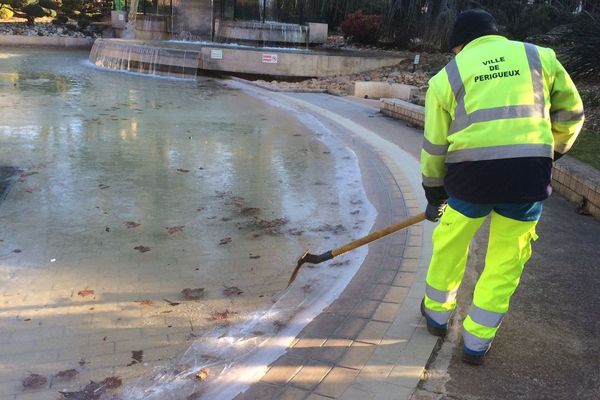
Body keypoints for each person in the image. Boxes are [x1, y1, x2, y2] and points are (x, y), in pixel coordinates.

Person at [419, 8, 584, 365]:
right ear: (495, 34)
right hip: (526, 179)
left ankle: (436, 315)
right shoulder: (540, 57)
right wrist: (549, 152)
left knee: (450, 243)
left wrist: (434, 193)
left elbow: (435, 146)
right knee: (506, 259)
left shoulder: (446, 77)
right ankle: (477, 342)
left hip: (469, 181)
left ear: (458, 45)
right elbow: (572, 114)